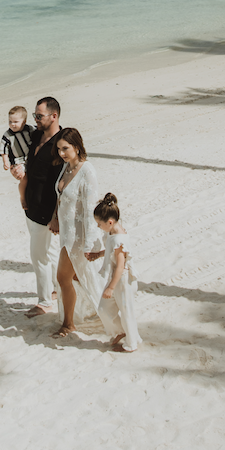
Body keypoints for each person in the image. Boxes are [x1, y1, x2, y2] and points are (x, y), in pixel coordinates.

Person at [49, 127, 104, 339]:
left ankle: (68, 324)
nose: (61, 153)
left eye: (65, 148)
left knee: (63, 278)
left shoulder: (87, 170)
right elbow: (60, 196)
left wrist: (89, 244)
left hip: (78, 236)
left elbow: (91, 209)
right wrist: (55, 217)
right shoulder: (66, 167)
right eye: (59, 149)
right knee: (77, 278)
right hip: (66, 232)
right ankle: (90, 312)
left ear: (77, 147)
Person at [18, 97, 63, 318]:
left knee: (39, 257)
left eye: (39, 116)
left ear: (54, 116)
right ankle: (56, 289)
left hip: (45, 211)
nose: (35, 119)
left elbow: (63, 185)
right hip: (30, 206)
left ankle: (44, 302)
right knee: (49, 252)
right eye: (34, 115)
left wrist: (56, 216)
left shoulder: (61, 145)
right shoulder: (35, 135)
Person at [88, 193, 142, 353]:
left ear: (110, 222)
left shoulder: (120, 240)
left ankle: (131, 344)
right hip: (115, 278)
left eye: (99, 224)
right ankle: (120, 331)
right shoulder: (113, 232)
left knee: (126, 312)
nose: (98, 227)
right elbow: (111, 250)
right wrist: (99, 254)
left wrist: (111, 287)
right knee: (103, 309)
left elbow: (120, 266)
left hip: (123, 280)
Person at [0, 105, 34, 209]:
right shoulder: (7, 135)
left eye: (16, 122)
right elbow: (3, 149)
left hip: (29, 158)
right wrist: (5, 161)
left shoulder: (30, 129)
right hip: (17, 161)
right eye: (10, 121)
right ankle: (23, 197)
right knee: (24, 178)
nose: (12, 124)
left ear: (24, 121)